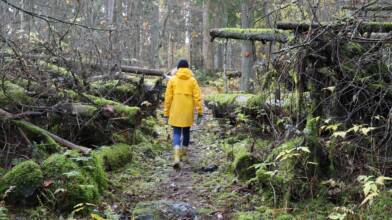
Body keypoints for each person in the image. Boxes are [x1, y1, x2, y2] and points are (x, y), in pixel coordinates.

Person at [164, 59, 202, 169]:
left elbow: (168, 98)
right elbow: (198, 97)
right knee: (186, 132)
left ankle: (176, 157)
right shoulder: (192, 81)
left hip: (175, 110)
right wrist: (199, 112)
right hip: (188, 111)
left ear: (178, 68)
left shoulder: (173, 80)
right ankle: (184, 155)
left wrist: (166, 113)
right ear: (188, 68)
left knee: (176, 133)